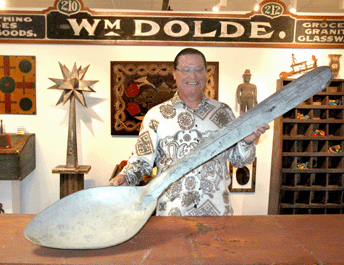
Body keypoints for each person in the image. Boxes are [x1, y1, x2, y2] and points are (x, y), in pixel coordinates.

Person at [107, 48, 269, 216]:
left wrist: (247, 141)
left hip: (218, 214)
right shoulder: (156, 116)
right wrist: (125, 177)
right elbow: (141, 161)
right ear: (174, 74)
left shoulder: (224, 113)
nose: (193, 76)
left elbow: (240, 160)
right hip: (172, 216)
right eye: (186, 70)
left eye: (198, 70)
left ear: (206, 73)